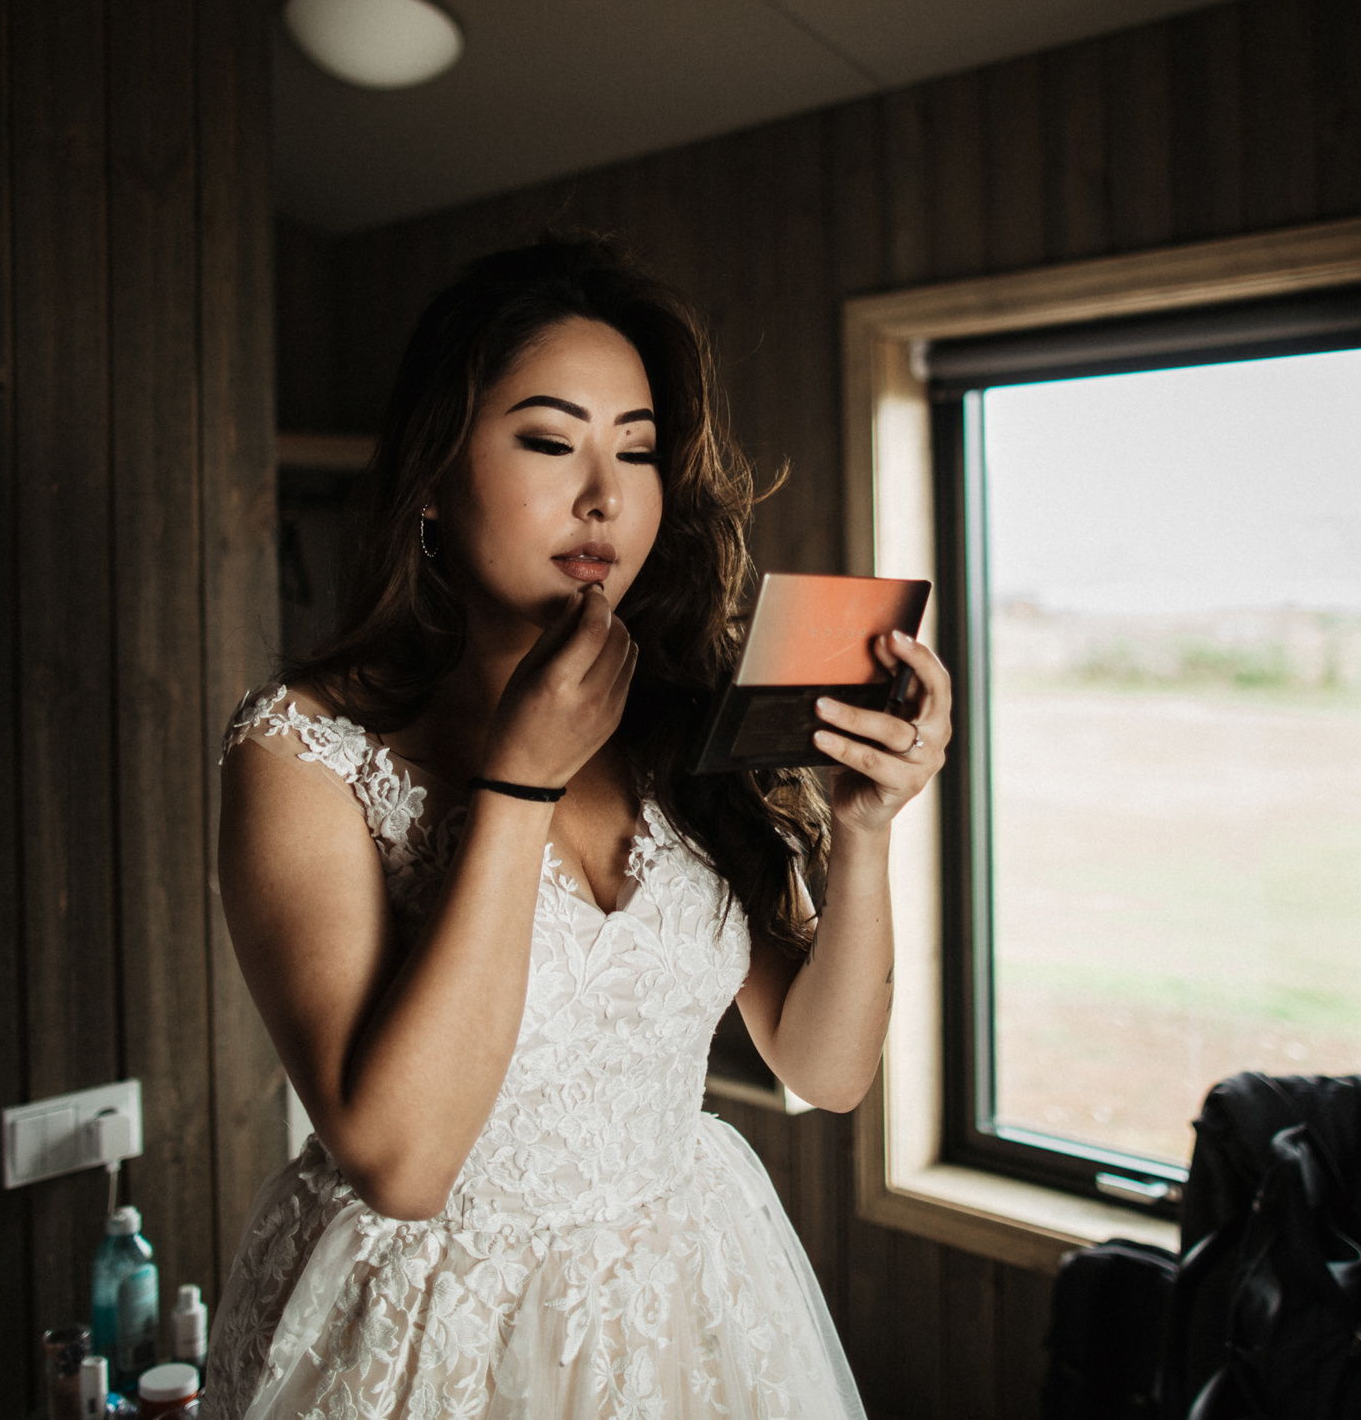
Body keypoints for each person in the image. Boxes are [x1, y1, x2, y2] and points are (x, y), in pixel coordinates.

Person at [203, 233, 948, 1419]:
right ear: (436, 478)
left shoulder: (683, 729)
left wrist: (864, 834)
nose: (603, 493)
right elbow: (400, 1161)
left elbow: (826, 1064)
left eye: (637, 451)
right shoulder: (301, 749)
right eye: (549, 440)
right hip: (428, 1338)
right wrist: (515, 788)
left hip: (684, 1301)